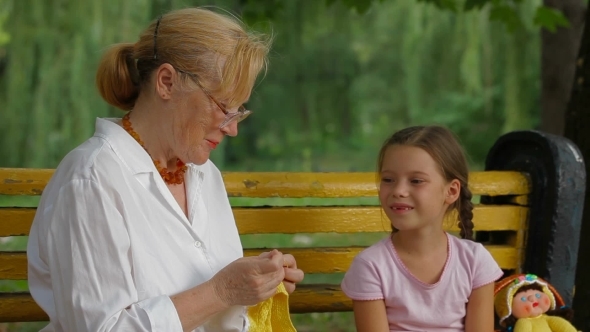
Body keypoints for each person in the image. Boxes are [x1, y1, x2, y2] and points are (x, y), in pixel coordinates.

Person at [27, 7, 304, 332]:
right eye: (223, 107)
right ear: (167, 82)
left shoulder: (204, 176)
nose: (232, 129)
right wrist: (222, 291)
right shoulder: (91, 179)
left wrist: (257, 288)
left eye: (238, 111)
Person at [340, 125, 504, 332]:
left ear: (451, 191)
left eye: (416, 181)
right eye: (388, 179)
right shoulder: (371, 266)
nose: (398, 191)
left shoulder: (475, 261)